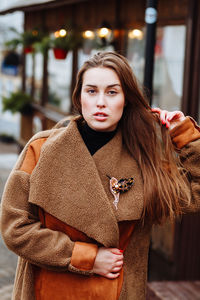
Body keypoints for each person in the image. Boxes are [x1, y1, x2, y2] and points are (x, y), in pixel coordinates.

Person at [1, 51, 200, 300]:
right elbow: (15, 228)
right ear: (79, 96)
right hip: (45, 290)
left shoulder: (145, 162)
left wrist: (184, 135)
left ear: (126, 99)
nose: (100, 102)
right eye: (91, 91)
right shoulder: (42, 149)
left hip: (118, 291)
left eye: (112, 92)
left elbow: (195, 191)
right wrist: (89, 258)